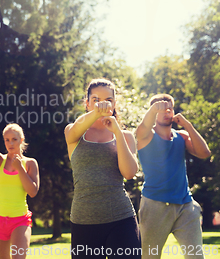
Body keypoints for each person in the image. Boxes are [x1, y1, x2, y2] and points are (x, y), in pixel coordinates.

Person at [64, 78, 141, 258]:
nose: (103, 104)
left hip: (121, 219)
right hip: (83, 222)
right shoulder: (74, 132)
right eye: (96, 100)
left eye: (108, 100)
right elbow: (73, 131)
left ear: (115, 103)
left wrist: (117, 132)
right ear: (87, 103)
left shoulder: (126, 136)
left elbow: (129, 173)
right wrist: (97, 113)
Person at [135, 94, 211, 259]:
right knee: (149, 257)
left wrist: (187, 125)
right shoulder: (147, 135)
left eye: (169, 108)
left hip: (186, 206)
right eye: (160, 109)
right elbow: (140, 130)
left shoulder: (181, 136)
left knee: (196, 257)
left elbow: (205, 153)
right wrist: (155, 108)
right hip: (154, 206)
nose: (165, 112)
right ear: (153, 112)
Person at [0, 123, 39, 259]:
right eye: (7, 140)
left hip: (20, 220)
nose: (10, 143)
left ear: (21, 140)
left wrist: (20, 168)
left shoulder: (30, 163)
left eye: (14, 139)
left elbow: (33, 191)